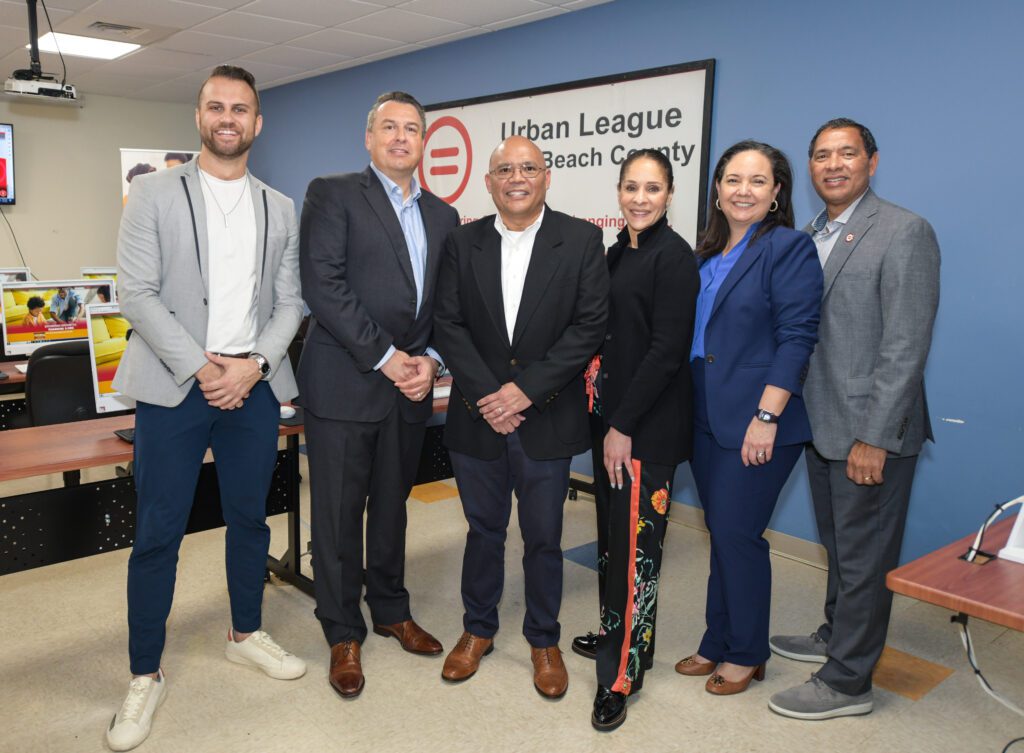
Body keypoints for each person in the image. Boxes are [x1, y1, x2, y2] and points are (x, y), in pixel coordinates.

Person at [105, 65, 306, 752]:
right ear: (199, 116)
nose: (229, 118)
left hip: (251, 385)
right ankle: (143, 672)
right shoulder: (154, 195)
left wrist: (250, 366)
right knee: (159, 530)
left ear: (257, 122)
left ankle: (245, 632)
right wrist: (202, 367)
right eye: (217, 106)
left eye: (241, 109)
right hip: (173, 383)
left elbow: (290, 303)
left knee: (250, 517)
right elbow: (137, 294)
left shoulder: (280, 207)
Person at [768, 119, 940, 720]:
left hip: (870, 431)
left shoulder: (903, 231)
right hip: (820, 424)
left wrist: (875, 436)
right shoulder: (810, 233)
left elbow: (905, 346)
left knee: (865, 557)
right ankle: (837, 635)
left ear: (872, 160)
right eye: (821, 155)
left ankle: (847, 682)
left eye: (846, 153)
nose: (833, 164)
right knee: (841, 548)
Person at [433, 135, 609, 698]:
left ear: (546, 177)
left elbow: (588, 327)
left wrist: (524, 393)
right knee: (483, 531)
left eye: (527, 168)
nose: (516, 177)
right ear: (488, 182)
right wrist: (493, 395)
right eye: (504, 169)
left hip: (547, 417)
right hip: (476, 416)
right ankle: (477, 630)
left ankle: (543, 639)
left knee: (544, 539)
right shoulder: (462, 243)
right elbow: (448, 324)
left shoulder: (581, 239)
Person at [297, 91, 459, 699]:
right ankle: (342, 629)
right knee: (338, 515)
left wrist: (432, 363)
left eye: (411, 129)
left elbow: (448, 304)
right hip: (346, 382)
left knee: (391, 506)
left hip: (411, 390)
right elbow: (325, 287)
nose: (399, 137)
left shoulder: (444, 216)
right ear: (369, 139)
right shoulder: (333, 194)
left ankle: (390, 607)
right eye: (388, 127)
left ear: (423, 142)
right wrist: (392, 359)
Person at [674, 140, 822, 696]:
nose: (744, 190)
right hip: (706, 415)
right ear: (717, 189)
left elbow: (797, 338)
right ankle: (717, 640)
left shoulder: (788, 249)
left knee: (738, 534)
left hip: (760, 419)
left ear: (777, 192)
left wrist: (767, 415)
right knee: (724, 533)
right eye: (734, 179)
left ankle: (747, 652)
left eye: (758, 181)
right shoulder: (704, 254)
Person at [567, 149, 699, 731]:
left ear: (670, 194)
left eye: (652, 188)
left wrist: (621, 426)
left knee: (637, 554)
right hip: (610, 422)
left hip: (643, 430)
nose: (639, 198)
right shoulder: (619, 251)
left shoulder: (674, 259)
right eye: (630, 187)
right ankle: (614, 632)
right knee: (612, 543)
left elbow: (666, 351)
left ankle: (623, 672)